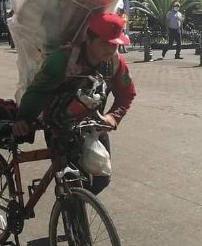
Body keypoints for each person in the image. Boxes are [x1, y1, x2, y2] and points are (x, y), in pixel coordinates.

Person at [12, 13, 137, 195]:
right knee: (68, 183)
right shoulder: (62, 60)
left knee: (101, 179)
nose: (110, 50)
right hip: (59, 126)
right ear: (88, 39)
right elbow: (38, 92)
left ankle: (78, 207)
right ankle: (68, 209)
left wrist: (113, 116)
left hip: (94, 126)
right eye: (104, 43)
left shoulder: (115, 63)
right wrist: (23, 118)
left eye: (115, 44)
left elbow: (127, 94)